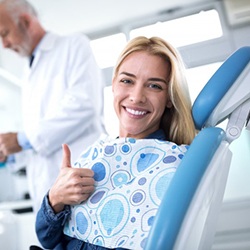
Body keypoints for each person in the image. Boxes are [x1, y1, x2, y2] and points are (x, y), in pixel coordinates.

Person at [35, 36, 196, 250]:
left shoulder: (170, 165)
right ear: (113, 85)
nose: (137, 97)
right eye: (127, 81)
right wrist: (55, 198)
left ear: (169, 97)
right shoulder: (97, 154)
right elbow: (47, 239)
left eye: (154, 86)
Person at [0, 0, 106, 212]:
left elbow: (84, 105)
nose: (4, 44)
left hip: (82, 185)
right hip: (49, 195)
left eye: (5, 33)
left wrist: (21, 139)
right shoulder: (29, 70)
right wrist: (9, 151)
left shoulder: (73, 46)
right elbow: (40, 140)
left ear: (25, 21)